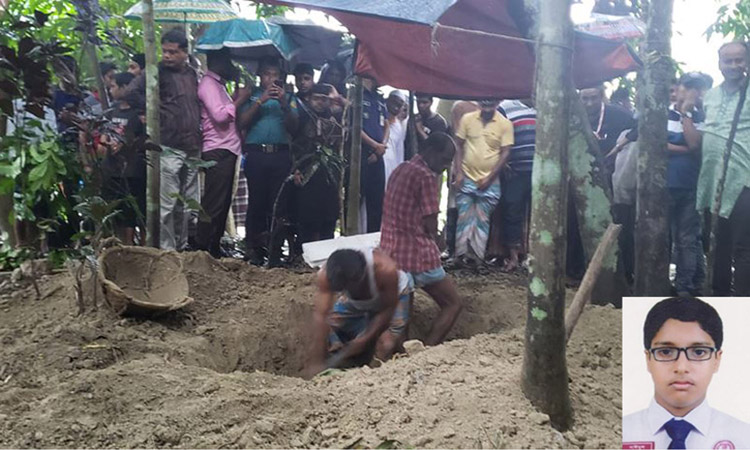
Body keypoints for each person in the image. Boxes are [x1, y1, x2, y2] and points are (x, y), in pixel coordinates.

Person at [622, 297, 750, 449]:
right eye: (666, 352)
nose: (681, 367)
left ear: (716, 360)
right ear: (648, 359)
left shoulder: (743, 438)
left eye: (698, 352)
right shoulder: (621, 433)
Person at [380, 132, 463, 346]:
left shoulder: (401, 168)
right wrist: (438, 240)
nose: (446, 166)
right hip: (416, 253)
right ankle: (428, 350)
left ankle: (401, 354)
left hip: (391, 251)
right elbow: (429, 222)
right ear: (431, 151)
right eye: (445, 160)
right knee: (453, 303)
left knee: (403, 311)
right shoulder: (426, 176)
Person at [126, 27, 202, 251]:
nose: (167, 56)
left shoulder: (192, 73)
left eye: (172, 52)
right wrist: (154, 108)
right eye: (165, 51)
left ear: (184, 53)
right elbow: (131, 92)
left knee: (188, 203)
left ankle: (183, 245)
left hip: (192, 145)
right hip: (169, 145)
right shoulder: (156, 72)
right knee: (168, 203)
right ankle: (168, 250)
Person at [306, 248, 414, 378]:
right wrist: (316, 361)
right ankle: (342, 359)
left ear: (362, 275)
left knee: (385, 343)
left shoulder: (386, 270)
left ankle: (374, 377)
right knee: (330, 327)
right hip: (355, 302)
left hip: (394, 296)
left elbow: (388, 309)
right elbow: (321, 316)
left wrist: (365, 338)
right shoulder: (326, 275)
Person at [696, 41, 750, 296]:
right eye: (728, 61)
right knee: (716, 246)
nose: (734, 65)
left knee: (744, 249)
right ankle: (719, 302)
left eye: (739, 60)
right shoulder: (711, 96)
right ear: (719, 63)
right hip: (711, 181)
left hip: (744, 180)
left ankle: (743, 306)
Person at [238, 57, 298, 267]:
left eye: (275, 75)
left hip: (281, 155)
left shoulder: (289, 97)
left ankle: (274, 251)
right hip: (256, 155)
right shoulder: (252, 95)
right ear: (260, 76)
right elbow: (242, 122)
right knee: (256, 202)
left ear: (281, 78)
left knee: (278, 205)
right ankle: (253, 249)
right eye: (267, 74)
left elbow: (294, 127)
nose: (271, 79)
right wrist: (260, 101)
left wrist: (283, 103)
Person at [195, 49, 250, 258]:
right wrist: (241, 99)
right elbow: (219, 116)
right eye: (230, 62)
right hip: (217, 149)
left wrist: (235, 94)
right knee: (214, 202)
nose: (233, 67)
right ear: (219, 61)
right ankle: (202, 248)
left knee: (223, 202)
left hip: (227, 148)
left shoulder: (219, 85)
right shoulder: (208, 84)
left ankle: (213, 247)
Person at [453, 98, 513, 264]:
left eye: (491, 105)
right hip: (466, 176)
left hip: (491, 180)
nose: (487, 109)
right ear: (479, 105)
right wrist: (458, 172)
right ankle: (460, 256)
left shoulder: (505, 124)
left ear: (497, 104)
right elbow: (459, 145)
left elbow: (506, 153)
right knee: (464, 215)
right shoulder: (467, 119)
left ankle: (476, 257)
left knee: (482, 218)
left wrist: (490, 177)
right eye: (484, 105)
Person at [100, 72, 147, 245]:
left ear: (125, 87)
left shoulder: (140, 115)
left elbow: (143, 139)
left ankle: (141, 249)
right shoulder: (112, 112)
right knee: (119, 212)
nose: (110, 90)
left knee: (137, 211)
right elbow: (104, 135)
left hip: (133, 170)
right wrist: (107, 142)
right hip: (113, 170)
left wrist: (126, 144)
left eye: (113, 86)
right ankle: (123, 247)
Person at [292, 83, 343, 245]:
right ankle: (303, 252)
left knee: (329, 214)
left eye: (323, 99)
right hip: (306, 172)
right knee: (307, 214)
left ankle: (326, 252)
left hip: (329, 175)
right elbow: (293, 145)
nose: (320, 103)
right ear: (309, 99)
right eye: (316, 99)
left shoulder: (335, 118)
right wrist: (295, 169)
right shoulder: (301, 117)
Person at [497, 99, 536, 272]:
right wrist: (503, 163)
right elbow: (495, 135)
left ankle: (536, 258)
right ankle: (513, 256)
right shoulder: (505, 106)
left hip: (542, 173)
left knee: (540, 215)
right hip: (516, 172)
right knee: (512, 212)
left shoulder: (548, 103)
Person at [359, 75, 388, 233]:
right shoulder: (357, 95)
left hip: (379, 154)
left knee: (376, 203)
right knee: (356, 200)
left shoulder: (379, 98)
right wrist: (374, 145)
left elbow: (387, 124)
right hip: (361, 153)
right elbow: (354, 126)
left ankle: (374, 240)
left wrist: (381, 146)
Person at [383, 91, 407, 187]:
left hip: (391, 166)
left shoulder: (399, 127)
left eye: (399, 105)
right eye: (394, 102)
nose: (396, 107)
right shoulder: (380, 119)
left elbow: (399, 152)